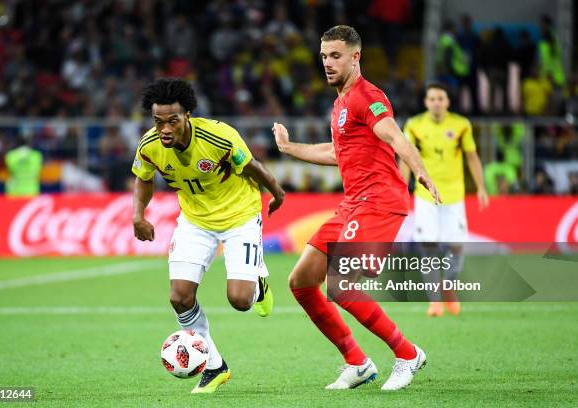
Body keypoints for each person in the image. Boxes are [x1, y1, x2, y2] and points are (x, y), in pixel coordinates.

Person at [273, 25, 440, 391]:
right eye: (324, 57)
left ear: (355, 57)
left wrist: (422, 173)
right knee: (301, 282)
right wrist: (289, 149)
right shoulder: (340, 104)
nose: (328, 63)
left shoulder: (368, 96)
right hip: (352, 204)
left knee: (342, 283)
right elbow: (337, 153)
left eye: (335, 56)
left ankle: (408, 354)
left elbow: (395, 135)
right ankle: (357, 362)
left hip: (379, 202)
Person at [131, 78, 284, 393]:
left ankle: (259, 282)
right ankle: (214, 367)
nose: (165, 129)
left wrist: (277, 192)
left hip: (239, 216)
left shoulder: (218, 136)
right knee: (179, 297)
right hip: (195, 221)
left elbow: (251, 165)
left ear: (187, 114)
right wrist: (138, 214)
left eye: (173, 120)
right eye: (158, 122)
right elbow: (144, 178)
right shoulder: (149, 146)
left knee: (240, 300)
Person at [399, 82, 489, 317]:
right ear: (426, 102)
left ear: (447, 102)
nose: (436, 102)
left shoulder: (461, 125)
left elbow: (472, 157)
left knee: (456, 246)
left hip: (454, 196)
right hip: (426, 196)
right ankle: (434, 300)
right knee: (427, 246)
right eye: (432, 98)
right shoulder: (415, 126)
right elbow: (407, 158)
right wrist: (400, 189)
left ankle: (448, 287)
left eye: (441, 98)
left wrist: (481, 187)